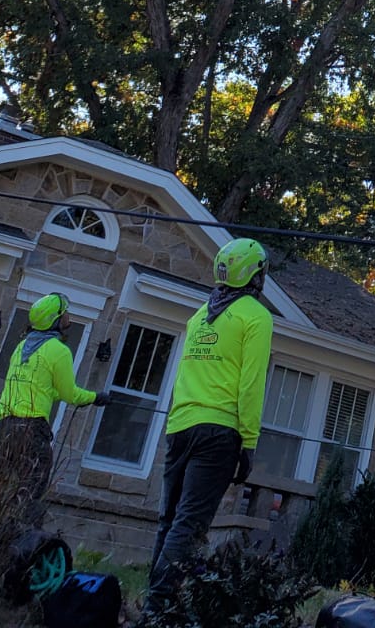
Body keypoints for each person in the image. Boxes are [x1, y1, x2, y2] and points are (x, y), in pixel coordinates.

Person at [146, 236, 272, 608]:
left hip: (180, 427)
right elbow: (251, 385)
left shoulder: (200, 315)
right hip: (218, 433)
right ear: (255, 275)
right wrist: (249, 442)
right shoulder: (256, 316)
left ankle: (156, 603)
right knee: (189, 523)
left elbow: (184, 375)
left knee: (169, 521)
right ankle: (158, 608)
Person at [0, 291, 109, 512]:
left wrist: (57, 394)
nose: (68, 315)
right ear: (56, 319)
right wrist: (95, 397)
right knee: (30, 497)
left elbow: (43, 389)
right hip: (29, 432)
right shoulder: (59, 351)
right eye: (65, 312)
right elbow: (70, 395)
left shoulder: (21, 347)